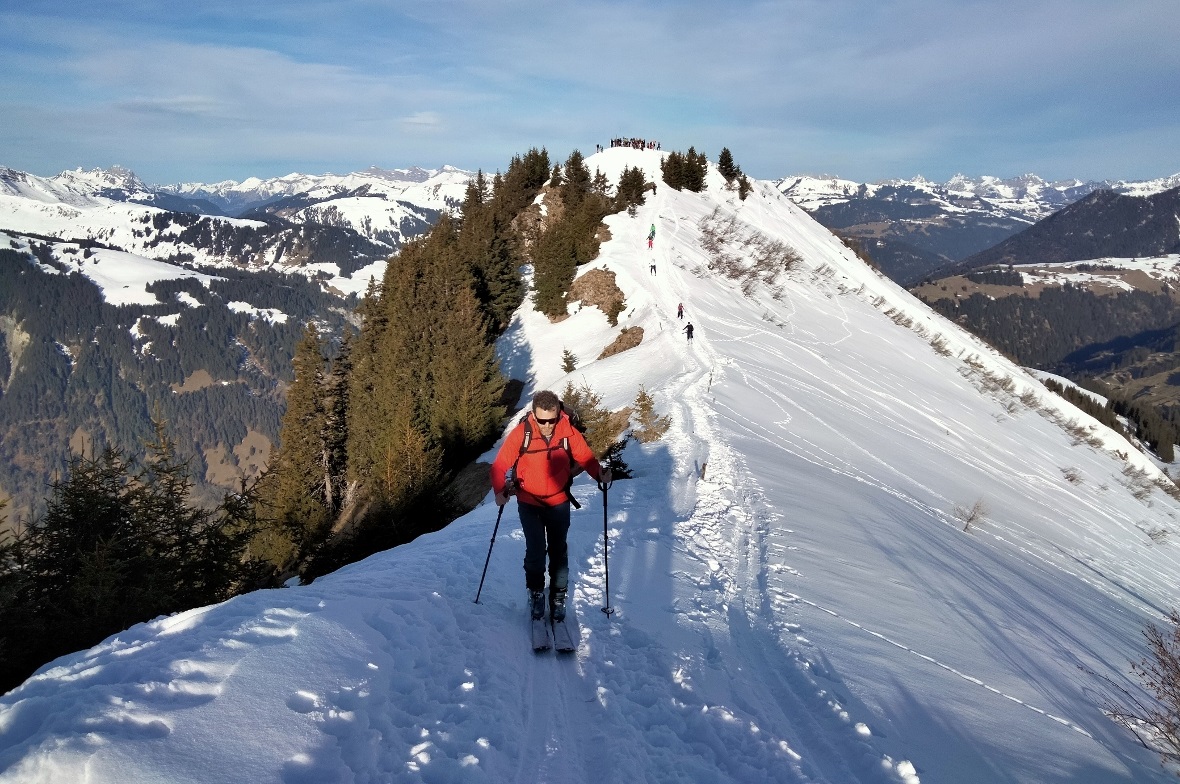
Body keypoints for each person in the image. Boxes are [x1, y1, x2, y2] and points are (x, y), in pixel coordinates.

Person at [490, 390, 610, 622]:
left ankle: (558, 595)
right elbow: (499, 466)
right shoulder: (522, 433)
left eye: (551, 420)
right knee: (535, 550)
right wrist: (499, 491)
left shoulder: (567, 431)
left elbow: (586, 458)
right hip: (529, 502)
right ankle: (536, 592)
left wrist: (600, 474)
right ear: (534, 415)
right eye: (541, 420)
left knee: (558, 551)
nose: (546, 426)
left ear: (558, 414)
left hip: (559, 501)